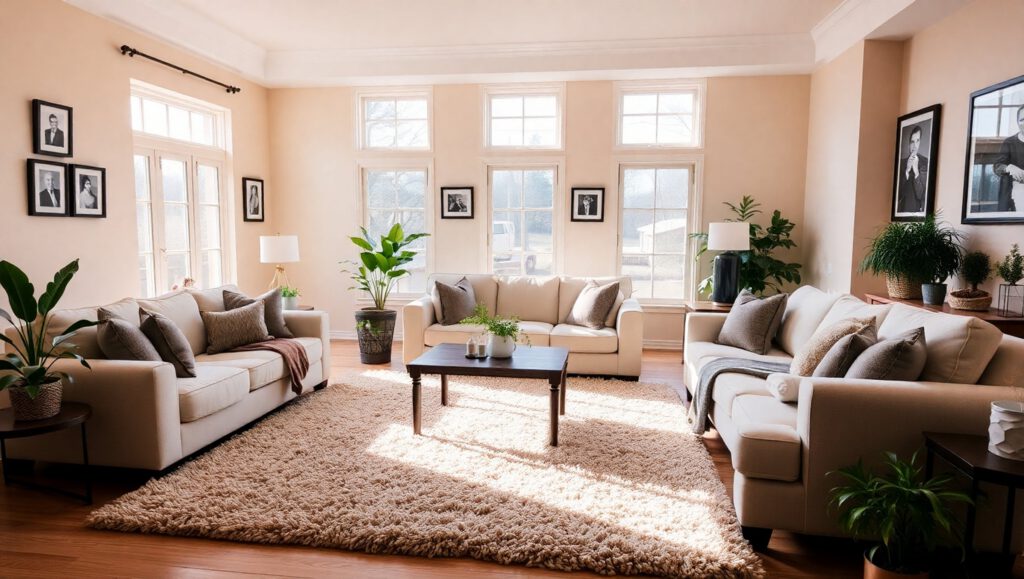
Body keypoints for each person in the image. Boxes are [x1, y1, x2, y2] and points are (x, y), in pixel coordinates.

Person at [993, 104, 1024, 213]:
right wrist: (1009, 168)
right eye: (1022, 120)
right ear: (1017, 122)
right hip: (1013, 195)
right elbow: (997, 166)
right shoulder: (1009, 142)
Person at [897, 125, 928, 214]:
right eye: (912, 142)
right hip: (902, 212)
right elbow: (897, 196)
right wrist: (907, 171)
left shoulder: (926, 162)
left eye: (917, 141)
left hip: (918, 213)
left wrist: (916, 172)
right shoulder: (901, 163)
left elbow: (922, 195)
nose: (914, 145)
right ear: (908, 144)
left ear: (920, 142)